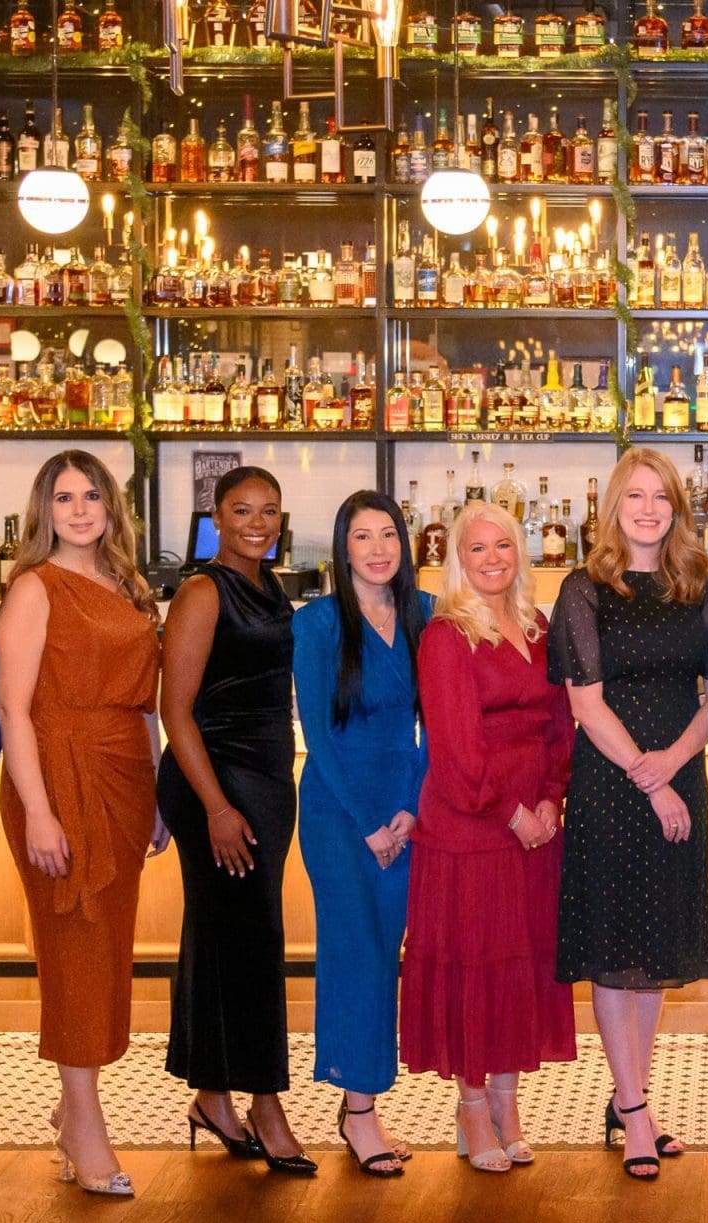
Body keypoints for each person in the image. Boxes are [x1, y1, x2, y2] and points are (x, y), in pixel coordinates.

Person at [0, 451, 168, 1199]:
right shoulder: (34, 588)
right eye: (62, 497)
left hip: (126, 773)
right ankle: (88, 1124)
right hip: (57, 781)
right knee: (74, 948)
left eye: (90, 495)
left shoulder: (130, 586)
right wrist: (37, 809)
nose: (77, 510)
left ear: (111, 507)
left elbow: (150, 703)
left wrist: (159, 790)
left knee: (108, 948)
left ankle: (70, 1109)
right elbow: (11, 708)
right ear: (43, 511)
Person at [550, 447, 708, 1181]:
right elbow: (585, 704)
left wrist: (677, 762)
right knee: (615, 948)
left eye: (662, 498)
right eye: (635, 497)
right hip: (614, 783)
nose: (649, 509)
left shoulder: (698, 587)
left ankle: (633, 1101)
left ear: (677, 510)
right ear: (613, 507)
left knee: (651, 953)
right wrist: (650, 780)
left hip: (680, 774)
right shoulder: (584, 589)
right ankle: (632, 1108)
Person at [402, 502, 576, 1173]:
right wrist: (513, 812)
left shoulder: (537, 625)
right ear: (457, 559)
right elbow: (452, 749)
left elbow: (560, 723)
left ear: (521, 551)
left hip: (537, 827)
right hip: (473, 827)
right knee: (476, 967)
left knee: (522, 964)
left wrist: (553, 799)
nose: (493, 559)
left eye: (503, 545)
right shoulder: (446, 635)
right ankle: (472, 1107)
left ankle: (508, 1102)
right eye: (478, 549)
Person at [158, 467, 315, 1175]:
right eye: (242, 510)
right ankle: (266, 1103)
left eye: (270, 512)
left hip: (265, 782)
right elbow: (175, 710)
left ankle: (212, 1096)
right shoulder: (202, 590)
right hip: (215, 785)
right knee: (254, 941)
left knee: (223, 937)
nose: (258, 522)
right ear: (214, 517)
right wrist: (218, 807)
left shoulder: (266, 586)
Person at [292, 491, 433, 1178]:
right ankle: (358, 1112)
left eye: (389, 535)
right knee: (356, 954)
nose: (378, 549)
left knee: (388, 952)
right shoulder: (317, 625)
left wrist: (409, 808)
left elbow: (435, 728)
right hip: (338, 812)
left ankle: (366, 1100)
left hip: (404, 807)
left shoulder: (424, 614)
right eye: (362, 536)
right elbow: (317, 738)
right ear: (341, 547)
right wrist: (368, 823)